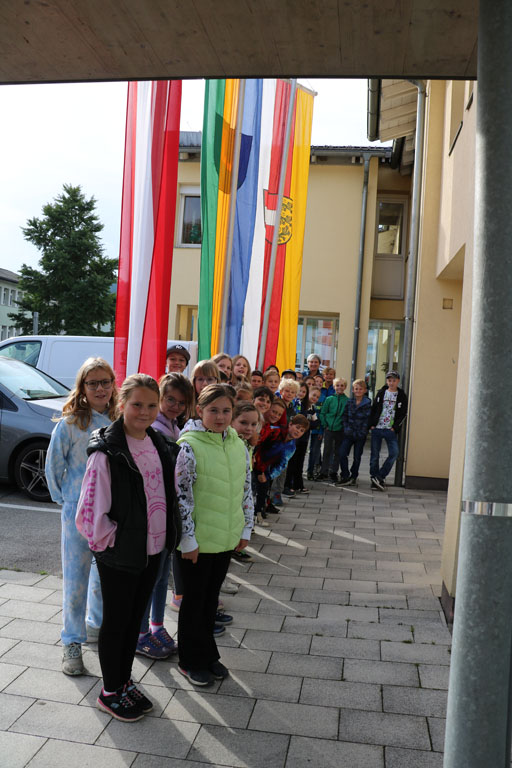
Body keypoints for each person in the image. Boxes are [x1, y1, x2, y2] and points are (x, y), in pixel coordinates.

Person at [76, 373, 181, 722]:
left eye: (152, 405)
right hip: (122, 553)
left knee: (134, 620)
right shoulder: (107, 451)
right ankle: (109, 691)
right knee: (117, 622)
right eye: (137, 404)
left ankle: (123, 682)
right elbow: (90, 512)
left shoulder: (158, 443)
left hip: (153, 549)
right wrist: (112, 545)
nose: (145, 411)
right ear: (122, 405)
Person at [175, 384, 254, 686]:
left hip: (225, 537)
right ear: (200, 411)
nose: (220, 417)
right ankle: (189, 659)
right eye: (213, 410)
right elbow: (181, 497)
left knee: (210, 601)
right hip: (196, 543)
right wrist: (188, 540)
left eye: (226, 411)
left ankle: (208, 654)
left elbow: (245, 489)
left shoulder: (237, 444)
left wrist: (244, 527)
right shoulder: (188, 447)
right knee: (194, 602)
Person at [45, 357, 118, 676]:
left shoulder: (120, 420)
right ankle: (71, 642)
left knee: (104, 576)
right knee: (76, 580)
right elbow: (52, 465)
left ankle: (95, 624)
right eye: (93, 383)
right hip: (77, 511)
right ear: (82, 388)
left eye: (106, 382)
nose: (100, 388)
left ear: (114, 385)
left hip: (112, 513)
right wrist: (66, 498)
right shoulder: (71, 423)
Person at [136, 373, 194, 660]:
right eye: (169, 399)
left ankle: (156, 626)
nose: (174, 405)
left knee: (160, 577)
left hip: (166, 515)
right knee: (150, 578)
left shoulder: (172, 426)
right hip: (153, 516)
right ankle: (141, 633)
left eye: (181, 402)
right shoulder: (154, 429)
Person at [253, 414, 309, 516]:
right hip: (254, 461)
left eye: (302, 431)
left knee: (264, 488)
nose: (298, 431)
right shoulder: (275, 431)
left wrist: (269, 476)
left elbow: (282, 464)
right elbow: (259, 442)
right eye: (297, 427)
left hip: (265, 468)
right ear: (290, 424)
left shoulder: (291, 447)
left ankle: (259, 511)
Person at [369, 370, 408, 490]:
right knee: (375, 455)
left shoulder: (401, 395)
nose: (391, 383)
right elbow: (374, 408)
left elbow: (403, 414)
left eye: (394, 380)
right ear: (387, 381)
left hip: (389, 430)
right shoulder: (381, 393)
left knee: (394, 453)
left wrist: (394, 428)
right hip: (377, 428)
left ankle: (380, 477)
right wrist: (371, 424)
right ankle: (374, 478)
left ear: (398, 381)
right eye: (389, 380)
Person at [338, 378, 372, 487]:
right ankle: (345, 475)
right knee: (342, 453)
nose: (358, 391)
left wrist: (363, 432)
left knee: (357, 456)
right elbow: (345, 416)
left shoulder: (367, 404)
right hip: (348, 433)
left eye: (360, 389)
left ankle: (354, 476)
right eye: (356, 389)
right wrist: (346, 428)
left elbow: (367, 419)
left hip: (360, 435)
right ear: (353, 390)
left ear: (364, 390)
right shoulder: (350, 402)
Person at [317, 377, 348, 482]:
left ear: (345, 387)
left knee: (337, 451)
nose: (339, 387)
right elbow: (323, 413)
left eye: (342, 385)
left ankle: (334, 471)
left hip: (340, 430)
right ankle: (323, 471)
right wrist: (325, 424)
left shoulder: (347, 401)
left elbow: (347, 415)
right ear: (334, 387)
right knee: (326, 451)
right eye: (337, 385)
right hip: (329, 429)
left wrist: (344, 426)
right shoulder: (329, 399)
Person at [284, 383, 310, 494]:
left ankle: (296, 484)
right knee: (289, 463)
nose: (301, 394)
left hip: (300, 438)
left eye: (304, 392)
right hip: (288, 437)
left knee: (298, 462)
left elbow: (314, 422)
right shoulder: (292, 405)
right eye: (300, 391)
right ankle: (287, 486)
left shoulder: (307, 405)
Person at [306, 386, 323, 480]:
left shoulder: (312, 408)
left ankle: (310, 471)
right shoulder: (303, 405)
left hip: (311, 432)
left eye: (317, 397)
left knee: (314, 451)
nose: (315, 398)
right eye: (314, 395)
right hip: (301, 435)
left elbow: (316, 422)